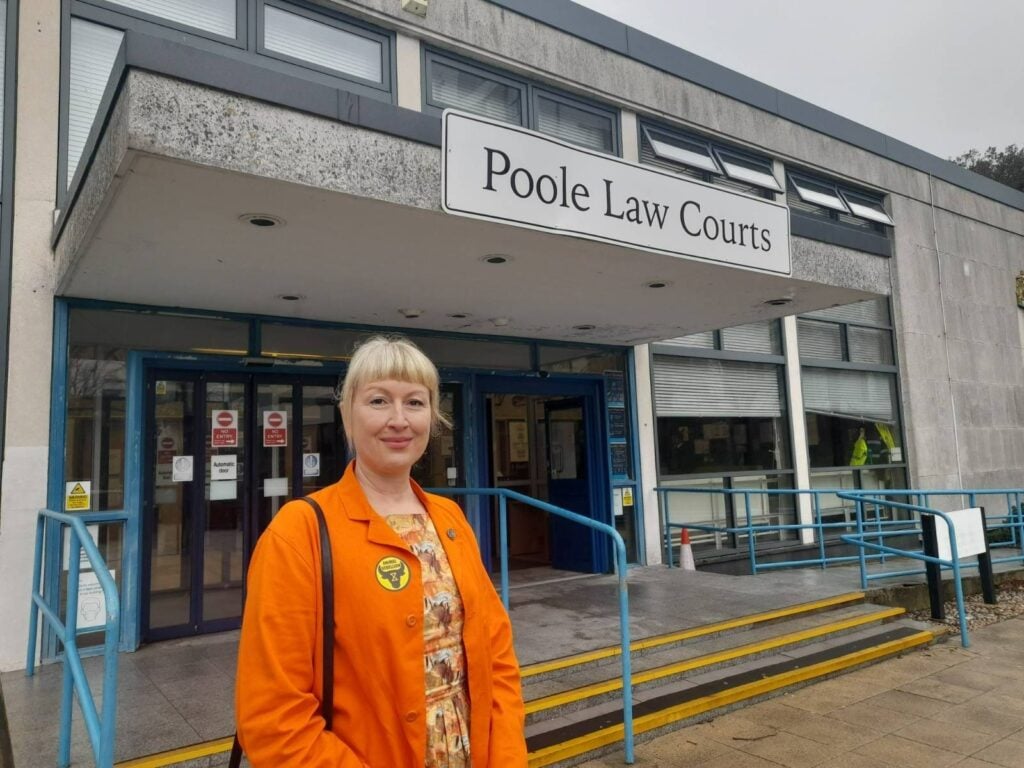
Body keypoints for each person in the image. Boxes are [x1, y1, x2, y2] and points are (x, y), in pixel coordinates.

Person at [236, 335, 527, 767]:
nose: (399, 419)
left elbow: (497, 659)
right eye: (378, 401)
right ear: (348, 416)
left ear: (433, 416)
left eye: (415, 402)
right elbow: (273, 715)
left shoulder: (450, 520)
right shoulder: (298, 534)